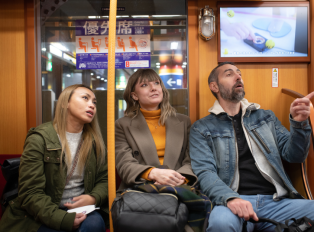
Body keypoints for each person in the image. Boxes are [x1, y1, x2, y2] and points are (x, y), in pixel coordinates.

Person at [189, 62, 314, 232]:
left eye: (239, 73)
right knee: (220, 224)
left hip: (277, 202)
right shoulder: (201, 128)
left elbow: (295, 156)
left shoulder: (266, 117)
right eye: (229, 74)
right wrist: (230, 198)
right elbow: (205, 172)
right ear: (214, 86)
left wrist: (299, 124)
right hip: (231, 203)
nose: (238, 76)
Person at [0, 84, 108, 232]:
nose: (92, 105)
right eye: (85, 98)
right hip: (41, 213)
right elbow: (30, 193)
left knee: (95, 225)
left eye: (94, 102)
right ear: (65, 103)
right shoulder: (39, 138)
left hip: (83, 209)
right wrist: (62, 219)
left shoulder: (94, 141)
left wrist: (93, 198)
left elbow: (104, 180)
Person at [115, 69, 197, 230]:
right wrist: (153, 173)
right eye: (145, 85)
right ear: (134, 96)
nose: (153, 88)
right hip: (139, 192)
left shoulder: (183, 121)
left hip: (178, 189)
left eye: (156, 83)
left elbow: (192, 159)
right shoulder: (122, 125)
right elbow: (124, 163)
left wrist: (178, 179)